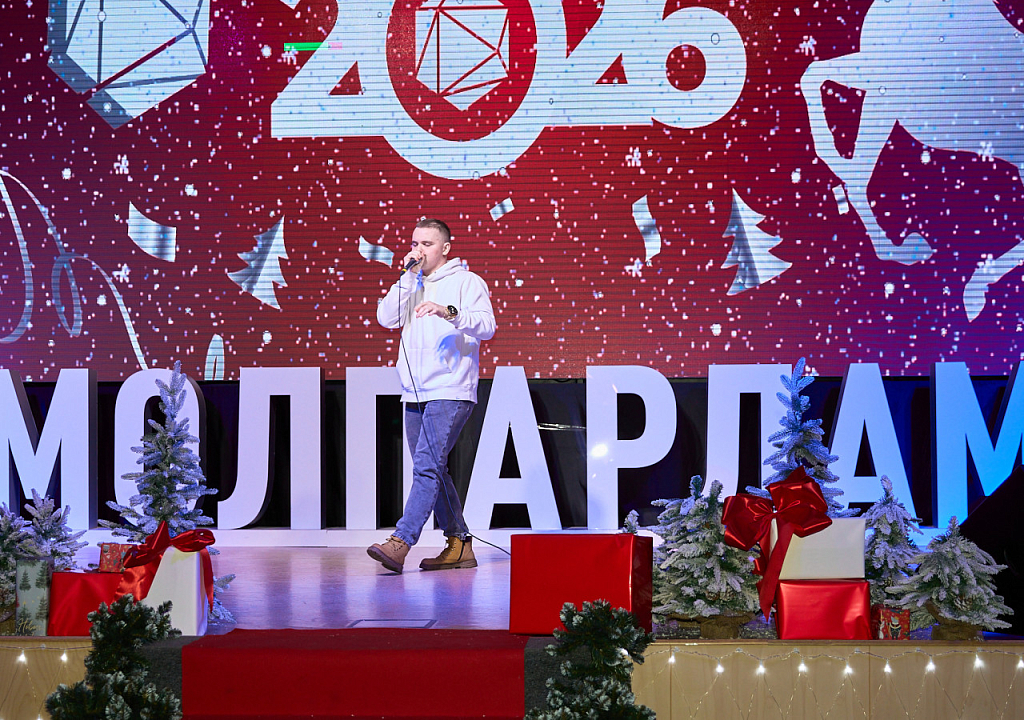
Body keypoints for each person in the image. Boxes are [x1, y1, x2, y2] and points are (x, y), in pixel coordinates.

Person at [367, 218, 496, 573]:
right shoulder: (412, 283)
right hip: (414, 391)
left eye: (427, 244)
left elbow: (487, 326)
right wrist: (407, 279)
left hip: (451, 388)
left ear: (445, 248)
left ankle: (401, 541)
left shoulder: (467, 281)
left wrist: (447, 311)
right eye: (415, 243)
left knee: (426, 467)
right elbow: (385, 318)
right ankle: (459, 543)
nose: (419, 250)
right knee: (433, 469)